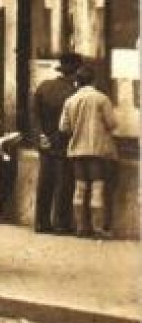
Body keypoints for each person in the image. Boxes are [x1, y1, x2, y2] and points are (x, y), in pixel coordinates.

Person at [60, 65, 120, 240]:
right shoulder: (102, 99)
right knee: (97, 187)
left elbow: (63, 127)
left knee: (80, 188)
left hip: (77, 150)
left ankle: (80, 227)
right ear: (94, 80)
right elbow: (112, 124)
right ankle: (97, 228)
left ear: (78, 82)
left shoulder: (70, 101)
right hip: (98, 150)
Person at [29, 53, 81, 234]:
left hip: (45, 144)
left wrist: (40, 136)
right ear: (76, 72)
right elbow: (70, 123)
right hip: (63, 143)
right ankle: (60, 223)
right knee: (64, 183)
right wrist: (54, 138)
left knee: (45, 182)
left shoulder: (44, 86)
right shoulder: (74, 93)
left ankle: (41, 223)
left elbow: (34, 115)